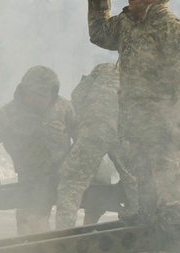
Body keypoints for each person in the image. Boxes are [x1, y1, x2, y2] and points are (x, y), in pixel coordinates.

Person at [87, 0, 180, 253]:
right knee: (149, 207)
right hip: (138, 134)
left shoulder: (172, 29)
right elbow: (98, 34)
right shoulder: (127, 24)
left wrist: (179, 130)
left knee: (172, 206)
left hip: (167, 137)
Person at [0, 65, 77, 235]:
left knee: (66, 233)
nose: (38, 100)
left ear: (53, 93)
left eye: (43, 96)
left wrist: (76, 163)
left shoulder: (63, 107)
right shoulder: (10, 114)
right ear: (23, 92)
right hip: (31, 181)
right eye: (33, 95)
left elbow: (82, 135)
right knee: (29, 234)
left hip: (63, 176)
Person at [54, 63, 138, 230]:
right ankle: (141, 225)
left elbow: (77, 95)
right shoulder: (140, 72)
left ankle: (63, 233)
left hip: (94, 129)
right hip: (124, 131)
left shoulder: (105, 68)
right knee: (135, 179)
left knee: (72, 182)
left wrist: (88, 117)